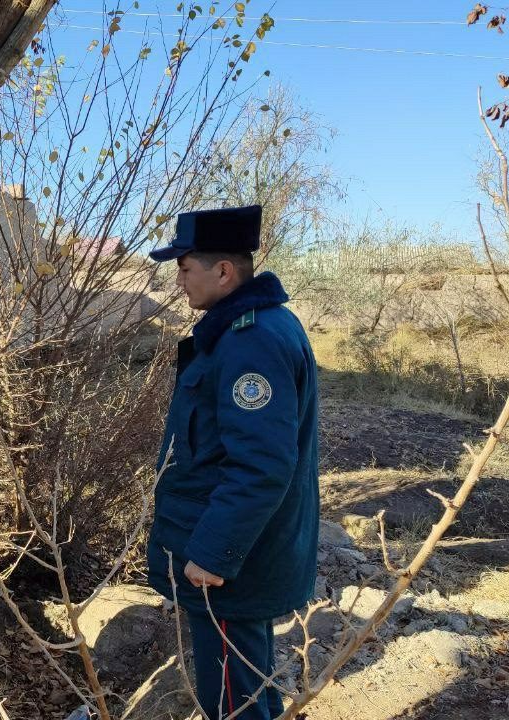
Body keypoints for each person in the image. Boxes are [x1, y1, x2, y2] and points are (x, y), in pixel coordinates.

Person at [145, 205, 319, 720]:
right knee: (247, 682)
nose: (179, 281)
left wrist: (213, 554)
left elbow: (260, 465)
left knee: (231, 700)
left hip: (230, 564)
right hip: (240, 554)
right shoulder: (253, 327)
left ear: (223, 271)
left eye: (185, 268)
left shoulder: (252, 341)